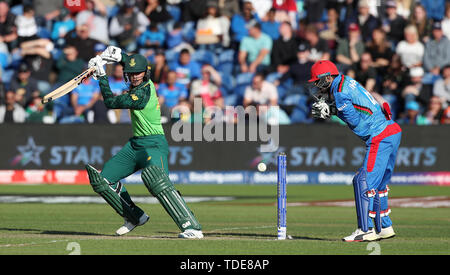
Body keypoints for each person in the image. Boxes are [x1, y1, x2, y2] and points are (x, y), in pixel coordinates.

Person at [86, 46, 203, 238]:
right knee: (102, 181)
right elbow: (133, 63)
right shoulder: (136, 81)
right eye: (130, 74)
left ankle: (192, 227)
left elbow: (110, 102)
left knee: (159, 183)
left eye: (137, 73)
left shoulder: (144, 92)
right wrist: (118, 56)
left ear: (146, 73)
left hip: (154, 144)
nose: (134, 77)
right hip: (135, 145)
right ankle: (134, 216)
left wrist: (102, 77)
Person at [309, 60, 401, 242]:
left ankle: (365, 230)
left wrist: (331, 111)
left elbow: (357, 124)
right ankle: (384, 226)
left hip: (380, 135)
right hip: (392, 130)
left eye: (318, 82)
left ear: (328, 78)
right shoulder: (345, 80)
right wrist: (333, 110)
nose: (317, 86)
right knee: (379, 184)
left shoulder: (340, 91)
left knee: (363, 180)